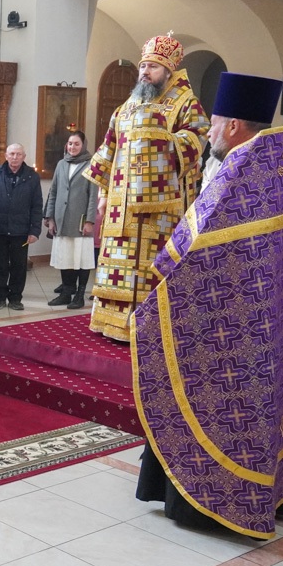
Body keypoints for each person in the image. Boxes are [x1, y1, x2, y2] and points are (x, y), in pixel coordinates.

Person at [137, 71, 283, 537]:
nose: (208, 132)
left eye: (214, 123)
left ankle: (205, 503)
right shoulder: (277, 167)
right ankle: (273, 495)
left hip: (227, 316)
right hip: (264, 314)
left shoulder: (240, 169)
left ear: (233, 126)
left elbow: (191, 242)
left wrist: (161, 269)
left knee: (219, 398)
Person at [86, 33, 209, 341]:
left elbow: (198, 139)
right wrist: (103, 194)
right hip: (121, 206)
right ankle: (111, 322)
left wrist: (160, 141)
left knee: (151, 267)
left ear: (168, 70)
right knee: (118, 265)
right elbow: (108, 149)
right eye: (143, 66)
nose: (145, 72)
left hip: (162, 209)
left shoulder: (184, 102)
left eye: (152, 67)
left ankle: (150, 327)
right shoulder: (127, 106)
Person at [44, 130, 98, 310]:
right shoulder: (61, 164)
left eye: (76, 144)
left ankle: (79, 295)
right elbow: (53, 192)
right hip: (61, 219)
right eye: (70, 143)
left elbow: (93, 195)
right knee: (64, 257)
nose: (72, 147)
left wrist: (90, 221)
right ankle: (66, 293)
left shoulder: (91, 164)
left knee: (81, 258)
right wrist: (51, 218)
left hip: (80, 221)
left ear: (83, 145)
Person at [0, 144, 42, 311]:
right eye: (12, 154)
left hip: (21, 230)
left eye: (18, 154)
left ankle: (16, 298)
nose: (15, 157)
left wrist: (35, 230)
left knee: (19, 266)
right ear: (6, 156)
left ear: (24, 157)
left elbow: (37, 205)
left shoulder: (32, 177)